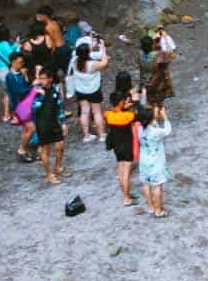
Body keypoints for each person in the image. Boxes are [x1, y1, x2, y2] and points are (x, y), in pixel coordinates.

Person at [104, 76, 140, 207]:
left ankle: (125, 193)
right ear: (120, 102)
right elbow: (139, 115)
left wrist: (124, 106)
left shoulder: (108, 114)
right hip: (126, 144)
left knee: (120, 169)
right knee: (126, 172)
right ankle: (126, 198)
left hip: (116, 145)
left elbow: (118, 113)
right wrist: (135, 103)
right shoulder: (127, 116)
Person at [30, 66, 66, 184]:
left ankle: (59, 167)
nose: (41, 81)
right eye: (40, 78)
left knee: (60, 145)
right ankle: (49, 174)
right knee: (45, 150)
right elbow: (33, 108)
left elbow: (60, 106)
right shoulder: (37, 92)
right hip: (42, 124)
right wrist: (41, 95)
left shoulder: (55, 90)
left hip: (54, 122)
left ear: (50, 79)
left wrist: (63, 122)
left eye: (44, 78)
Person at [69, 30, 106, 139]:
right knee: (96, 112)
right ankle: (102, 135)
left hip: (80, 90)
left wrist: (92, 43)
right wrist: (103, 48)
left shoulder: (74, 61)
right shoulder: (92, 65)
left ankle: (86, 136)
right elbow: (104, 62)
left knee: (84, 112)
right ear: (88, 53)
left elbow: (84, 50)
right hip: (93, 90)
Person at [137, 99, 172, 216]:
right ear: (151, 118)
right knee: (157, 186)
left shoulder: (139, 128)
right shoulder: (156, 132)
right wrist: (165, 116)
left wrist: (154, 115)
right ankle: (158, 211)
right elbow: (167, 130)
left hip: (144, 161)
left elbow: (150, 124)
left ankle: (151, 207)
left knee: (146, 183)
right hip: (155, 162)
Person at [141, 25, 176, 107]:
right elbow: (170, 52)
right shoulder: (161, 57)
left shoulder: (142, 56)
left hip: (150, 82)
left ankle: (152, 117)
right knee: (159, 104)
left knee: (152, 104)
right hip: (160, 83)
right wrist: (164, 37)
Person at [0, 23, 17, 119]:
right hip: (6, 71)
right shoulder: (5, 44)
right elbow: (12, 57)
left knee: (6, 92)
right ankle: (15, 114)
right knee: (13, 92)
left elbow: (5, 53)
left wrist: (14, 46)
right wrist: (17, 47)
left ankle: (6, 114)